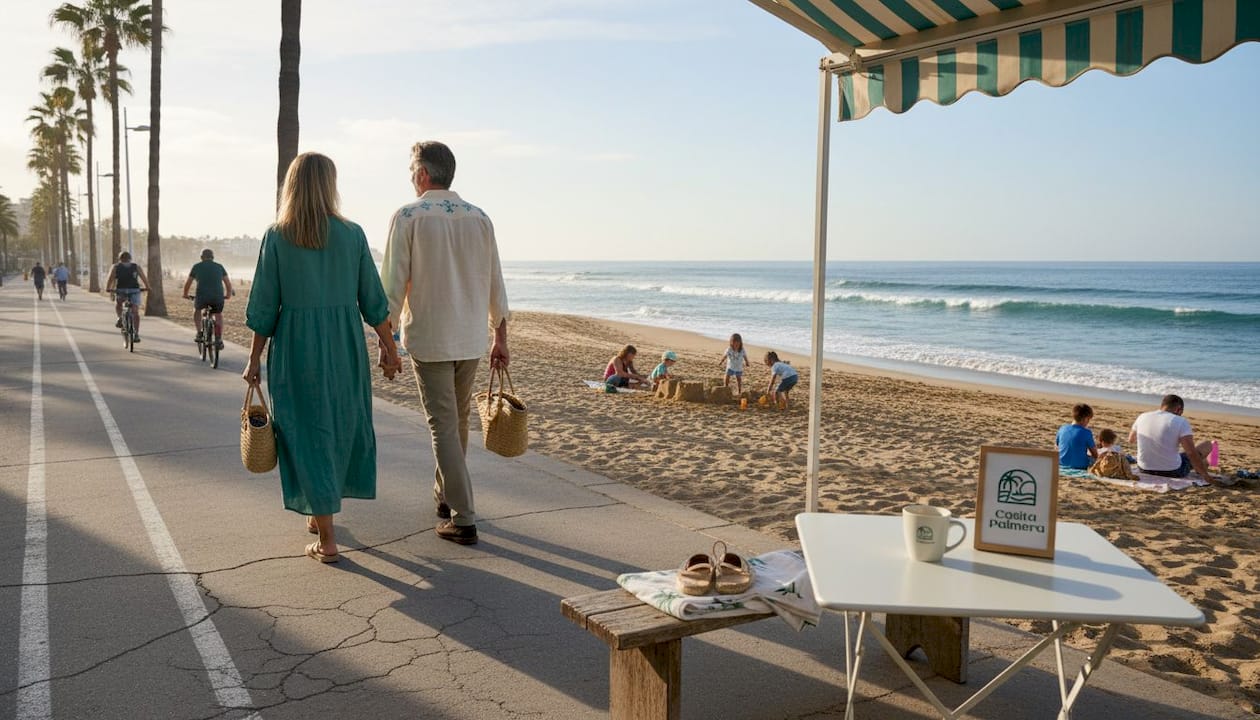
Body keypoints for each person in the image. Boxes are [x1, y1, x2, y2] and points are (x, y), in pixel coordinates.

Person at [243, 152, 401, 563]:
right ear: (330, 185)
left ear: (291, 186)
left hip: (295, 345)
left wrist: (254, 358)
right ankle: (321, 511)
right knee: (337, 422)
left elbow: (264, 306)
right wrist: (389, 345)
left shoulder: (277, 237)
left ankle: (326, 537)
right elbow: (373, 299)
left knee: (302, 429)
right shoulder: (352, 235)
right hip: (343, 343)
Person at [381, 141, 510, 546]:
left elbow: (392, 285)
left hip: (431, 336)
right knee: (456, 421)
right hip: (470, 337)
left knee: (442, 425)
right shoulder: (479, 217)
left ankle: (464, 516)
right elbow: (495, 281)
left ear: (422, 174)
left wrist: (386, 339)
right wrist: (499, 336)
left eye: (410, 171)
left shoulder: (408, 216)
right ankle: (445, 496)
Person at [1129, 394, 1224, 485]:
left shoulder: (1142, 416)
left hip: (1143, 468)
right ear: (1178, 409)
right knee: (1209, 444)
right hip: (1172, 471)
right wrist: (1205, 475)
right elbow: (1191, 452)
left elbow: (1131, 440)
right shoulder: (1181, 421)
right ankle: (1205, 468)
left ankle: (1205, 466)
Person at [182, 249, 234, 350]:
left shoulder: (197, 266)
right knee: (218, 314)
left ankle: (199, 333)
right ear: (213, 257)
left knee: (197, 310)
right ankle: (218, 338)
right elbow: (228, 283)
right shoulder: (219, 266)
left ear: (201, 257)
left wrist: (185, 294)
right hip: (217, 296)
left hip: (202, 296)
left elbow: (188, 283)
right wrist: (228, 295)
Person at [104, 252, 150, 341]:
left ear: (119, 259)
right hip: (135, 291)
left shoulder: (115, 267)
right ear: (130, 258)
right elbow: (144, 278)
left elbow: (110, 278)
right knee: (135, 312)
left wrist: (108, 288)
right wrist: (148, 287)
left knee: (119, 303)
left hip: (121, 290)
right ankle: (136, 334)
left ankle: (120, 318)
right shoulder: (136, 266)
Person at [1055, 403, 1097, 469]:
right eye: (1089, 419)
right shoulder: (1086, 432)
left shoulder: (1062, 428)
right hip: (1080, 466)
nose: (1088, 422)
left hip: (1060, 462)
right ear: (1085, 418)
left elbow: (1057, 447)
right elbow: (1095, 454)